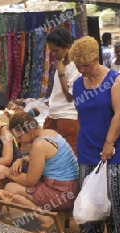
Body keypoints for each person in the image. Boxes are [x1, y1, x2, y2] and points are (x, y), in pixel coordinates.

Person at [69, 36, 120, 233]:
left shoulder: (115, 80)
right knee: (90, 194)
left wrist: (109, 143)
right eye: (78, 66)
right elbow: (83, 116)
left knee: (115, 195)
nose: (81, 70)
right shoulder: (77, 84)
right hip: (87, 147)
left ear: (96, 59)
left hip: (114, 148)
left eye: (84, 65)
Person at [0, 112, 80, 233]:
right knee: (1, 172)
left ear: (30, 129)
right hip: (71, 188)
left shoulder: (39, 144)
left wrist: (8, 173)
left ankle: (47, 220)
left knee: (10, 188)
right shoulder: (50, 132)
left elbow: (30, 180)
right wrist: (21, 159)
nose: (18, 140)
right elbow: (43, 158)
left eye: (19, 136)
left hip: (62, 194)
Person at [43, 27, 81, 155]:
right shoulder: (62, 62)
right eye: (52, 51)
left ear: (67, 46)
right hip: (54, 115)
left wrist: (60, 73)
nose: (54, 54)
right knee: (50, 154)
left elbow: (70, 96)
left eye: (56, 50)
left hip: (67, 116)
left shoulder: (75, 65)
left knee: (69, 157)